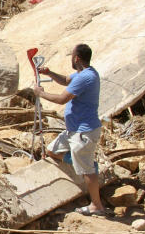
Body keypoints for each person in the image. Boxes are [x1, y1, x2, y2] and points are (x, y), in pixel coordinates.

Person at [37, 44, 105, 213]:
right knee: (52, 151)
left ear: (76, 58)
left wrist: (40, 93)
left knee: (87, 169)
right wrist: (49, 73)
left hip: (83, 131)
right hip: (73, 130)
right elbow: (67, 80)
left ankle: (96, 205)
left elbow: (62, 99)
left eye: (72, 56)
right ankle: (82, 163)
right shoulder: (84, 74)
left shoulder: (86, 77)